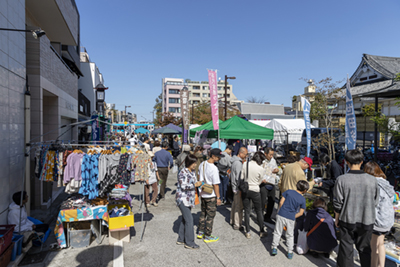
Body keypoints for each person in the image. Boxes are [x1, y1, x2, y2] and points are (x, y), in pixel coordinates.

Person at [333, 149, 379, 267]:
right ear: (362, 162)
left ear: (346, 162)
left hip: (347, 218)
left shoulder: (341, 179)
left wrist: (337, 218)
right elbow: (375, 201)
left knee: (346, 249)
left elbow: (338, 203)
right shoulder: (372, 180)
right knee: (365, 250)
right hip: (367, 218)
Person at [363, 161, 394, 267]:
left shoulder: (373, 184)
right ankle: (381, 265)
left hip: (378, 220)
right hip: (387, 219)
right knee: (381, 244)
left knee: (373, 245)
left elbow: (371, 203)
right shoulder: (386, 183)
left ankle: (373, 265)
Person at [271, 180, 309, 259]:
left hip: (281, 214)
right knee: (290, 235)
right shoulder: (302, 199)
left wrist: (281, 211)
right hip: (291, 217)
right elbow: (301, 213)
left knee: (277, 232)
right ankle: (289, 252)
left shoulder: (288, 192)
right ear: (305, 190)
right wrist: (293, 216)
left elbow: (281, 202)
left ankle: (274, 248)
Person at [176, 154, 203, 249]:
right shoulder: (183, 172)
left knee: (185, 219)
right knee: (190, 220)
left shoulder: (192, 172)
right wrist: (194, 185)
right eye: (193, 163)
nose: (195, 165)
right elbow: (183, 186)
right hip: (182, 199)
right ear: (188, 162)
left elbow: (194, 183)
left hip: (189, 199)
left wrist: (199, 184)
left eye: (195, 163)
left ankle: (181, 239)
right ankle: (189, 242)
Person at [197, 148, 223, 243]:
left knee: (203, 212)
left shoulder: (202, 164)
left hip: (203, 192)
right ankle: (207, 235)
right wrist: (218, 197)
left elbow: (199, 176)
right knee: (210, 216)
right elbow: (216, 185)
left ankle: (200, 232)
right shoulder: (214, 168)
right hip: (211, 194)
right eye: (218, 156)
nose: (219, 158)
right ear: (213, 156)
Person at [241, 152, 268, 239]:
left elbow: (242, 177)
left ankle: (248, 231)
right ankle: (261, 230)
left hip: (245, 189)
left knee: (247, 211)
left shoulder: (245, 164)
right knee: (259, 211)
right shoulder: (260, 168)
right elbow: (260, 181)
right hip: (255, 190)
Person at [261, 147, 282, 224]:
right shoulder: (261, 161)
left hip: (272, 183)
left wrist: (278, 170)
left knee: (272, 201)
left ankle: (268, 217)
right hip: (263, 183)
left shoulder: (273, 161)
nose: (271, 156)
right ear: (265, 154)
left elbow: (278, 170)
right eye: (270, 155)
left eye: (272, 155)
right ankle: (260, 217)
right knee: (262, 201)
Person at [230, 147, 247, 230]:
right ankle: (237, 224)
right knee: (238, 207)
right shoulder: (238, 163)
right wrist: (240, 188)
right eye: (245, 154)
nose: (246, 156)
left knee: (234, 205)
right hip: (237, 187)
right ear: (241, 153)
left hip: (234, 186)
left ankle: (232, 220)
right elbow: (238, 177)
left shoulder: (234, 161)